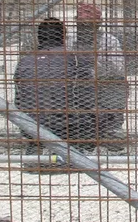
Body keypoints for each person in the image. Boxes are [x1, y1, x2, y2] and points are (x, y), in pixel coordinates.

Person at [13, 17, 94, 147]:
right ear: (63, 37)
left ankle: (35, 151)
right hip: (68, 127)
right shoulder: (75, 59)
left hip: (31, 126)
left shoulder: (24, 61)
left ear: (39, 37)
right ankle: (78, 155)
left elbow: (18, 99)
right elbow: (88, 96)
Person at [69, 3, 137, 143]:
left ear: (98, 24)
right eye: (82, 24)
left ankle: (112, 128)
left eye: (89, 24)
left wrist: (96, 65)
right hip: (77, 87)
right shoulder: (70, 40)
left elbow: (119, 68)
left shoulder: (108, 41)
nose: (85, 28)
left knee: (119, 84)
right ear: (76, 22)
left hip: (103, 86)